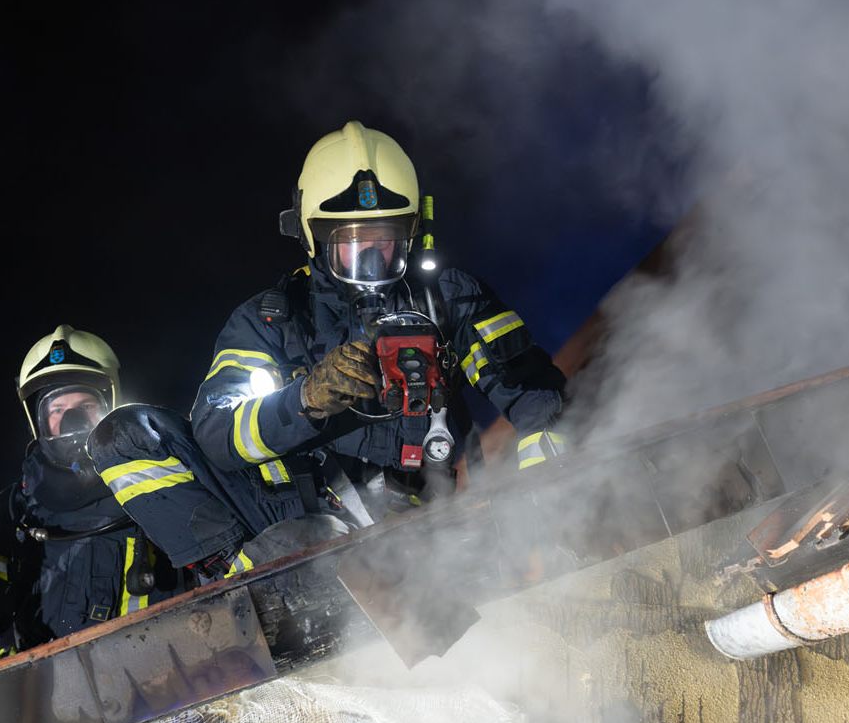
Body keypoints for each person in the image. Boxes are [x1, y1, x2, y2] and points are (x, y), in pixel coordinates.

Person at [188, 120, 567, 521]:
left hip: (430, 525)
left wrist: (545, 485)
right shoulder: (270, 322)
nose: (371, 254)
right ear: (314, 236)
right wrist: (305, 399)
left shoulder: (450, 299)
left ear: (410, 232)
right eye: (352, 239)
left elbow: (534, 392)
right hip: (314, 534)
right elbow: (216, 433)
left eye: (384, 236)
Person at [0, 326, 192, 653]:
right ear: (38, 420)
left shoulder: (160, 480)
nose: (71, 420)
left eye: (84, 407)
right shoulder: (15, 509)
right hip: (51, 690)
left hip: (164, 676)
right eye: (57, 410)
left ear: (109, 404)